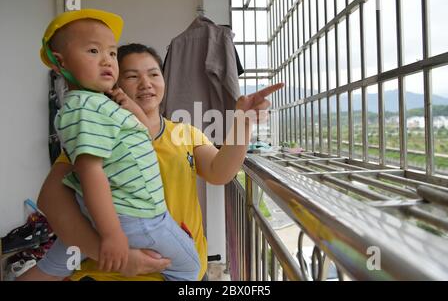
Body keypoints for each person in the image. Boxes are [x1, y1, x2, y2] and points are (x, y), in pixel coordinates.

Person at [20, 41, 283, 281]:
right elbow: (50, 199)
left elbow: (220, 172)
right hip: (111, 274)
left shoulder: (184, 133)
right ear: (114, 84)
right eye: (132, 76)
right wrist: (114, 257)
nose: (146, 83)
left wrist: (243, 122)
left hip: (185, 269)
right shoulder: (99, 134)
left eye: (154, 74)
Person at [21, 9, 201, 281]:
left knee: (54, 265)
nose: (106, 60)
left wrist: (128, 107)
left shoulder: (103, 108)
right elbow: (89, 172)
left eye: (112, 53)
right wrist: (111, 234)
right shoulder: (86, 110)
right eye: (93, 51)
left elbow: (142, 135)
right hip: (137, 218)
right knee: (190, 266)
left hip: (114, 217)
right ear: (61, 64)